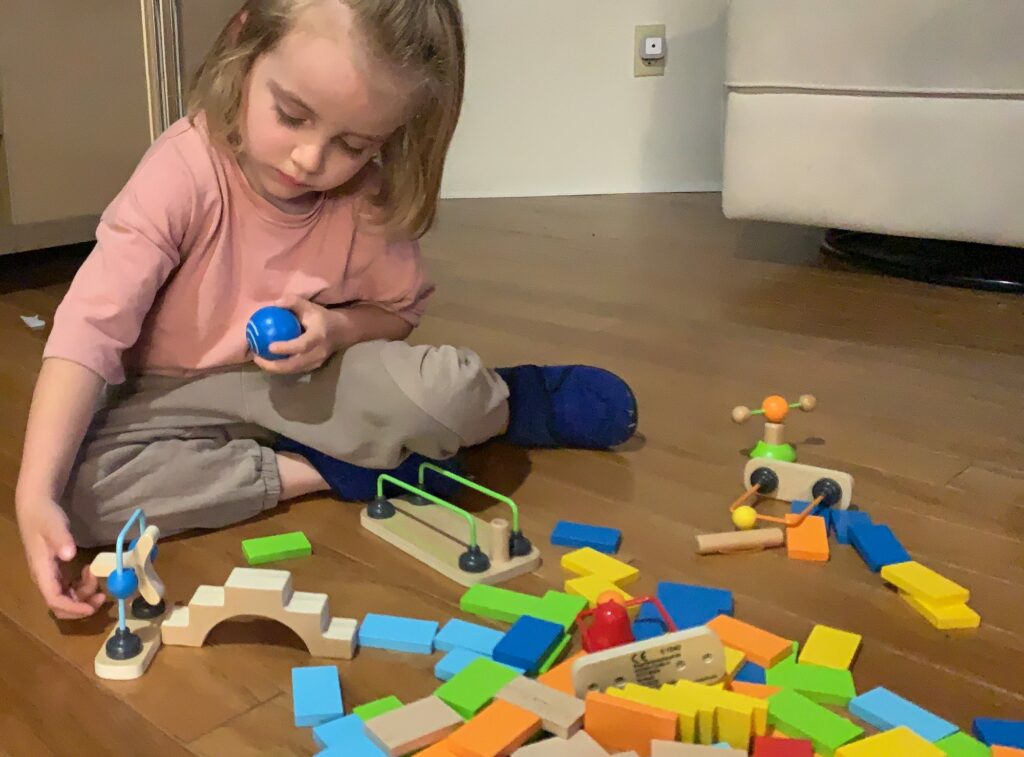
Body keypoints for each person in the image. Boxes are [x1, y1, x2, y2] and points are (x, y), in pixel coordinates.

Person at [14, 0, 637, 620]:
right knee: (73, 496)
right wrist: (35, 492)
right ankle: (331, 470)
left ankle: (514, 401)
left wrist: (337, 328)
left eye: (353, 143)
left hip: (303, 384)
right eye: (291, 115)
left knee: (448, 393)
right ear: (246, 43)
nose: (310, 160)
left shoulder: (363, 200)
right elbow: (87, 330)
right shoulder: (181, 171)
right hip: (169, 397)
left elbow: (397, 313)